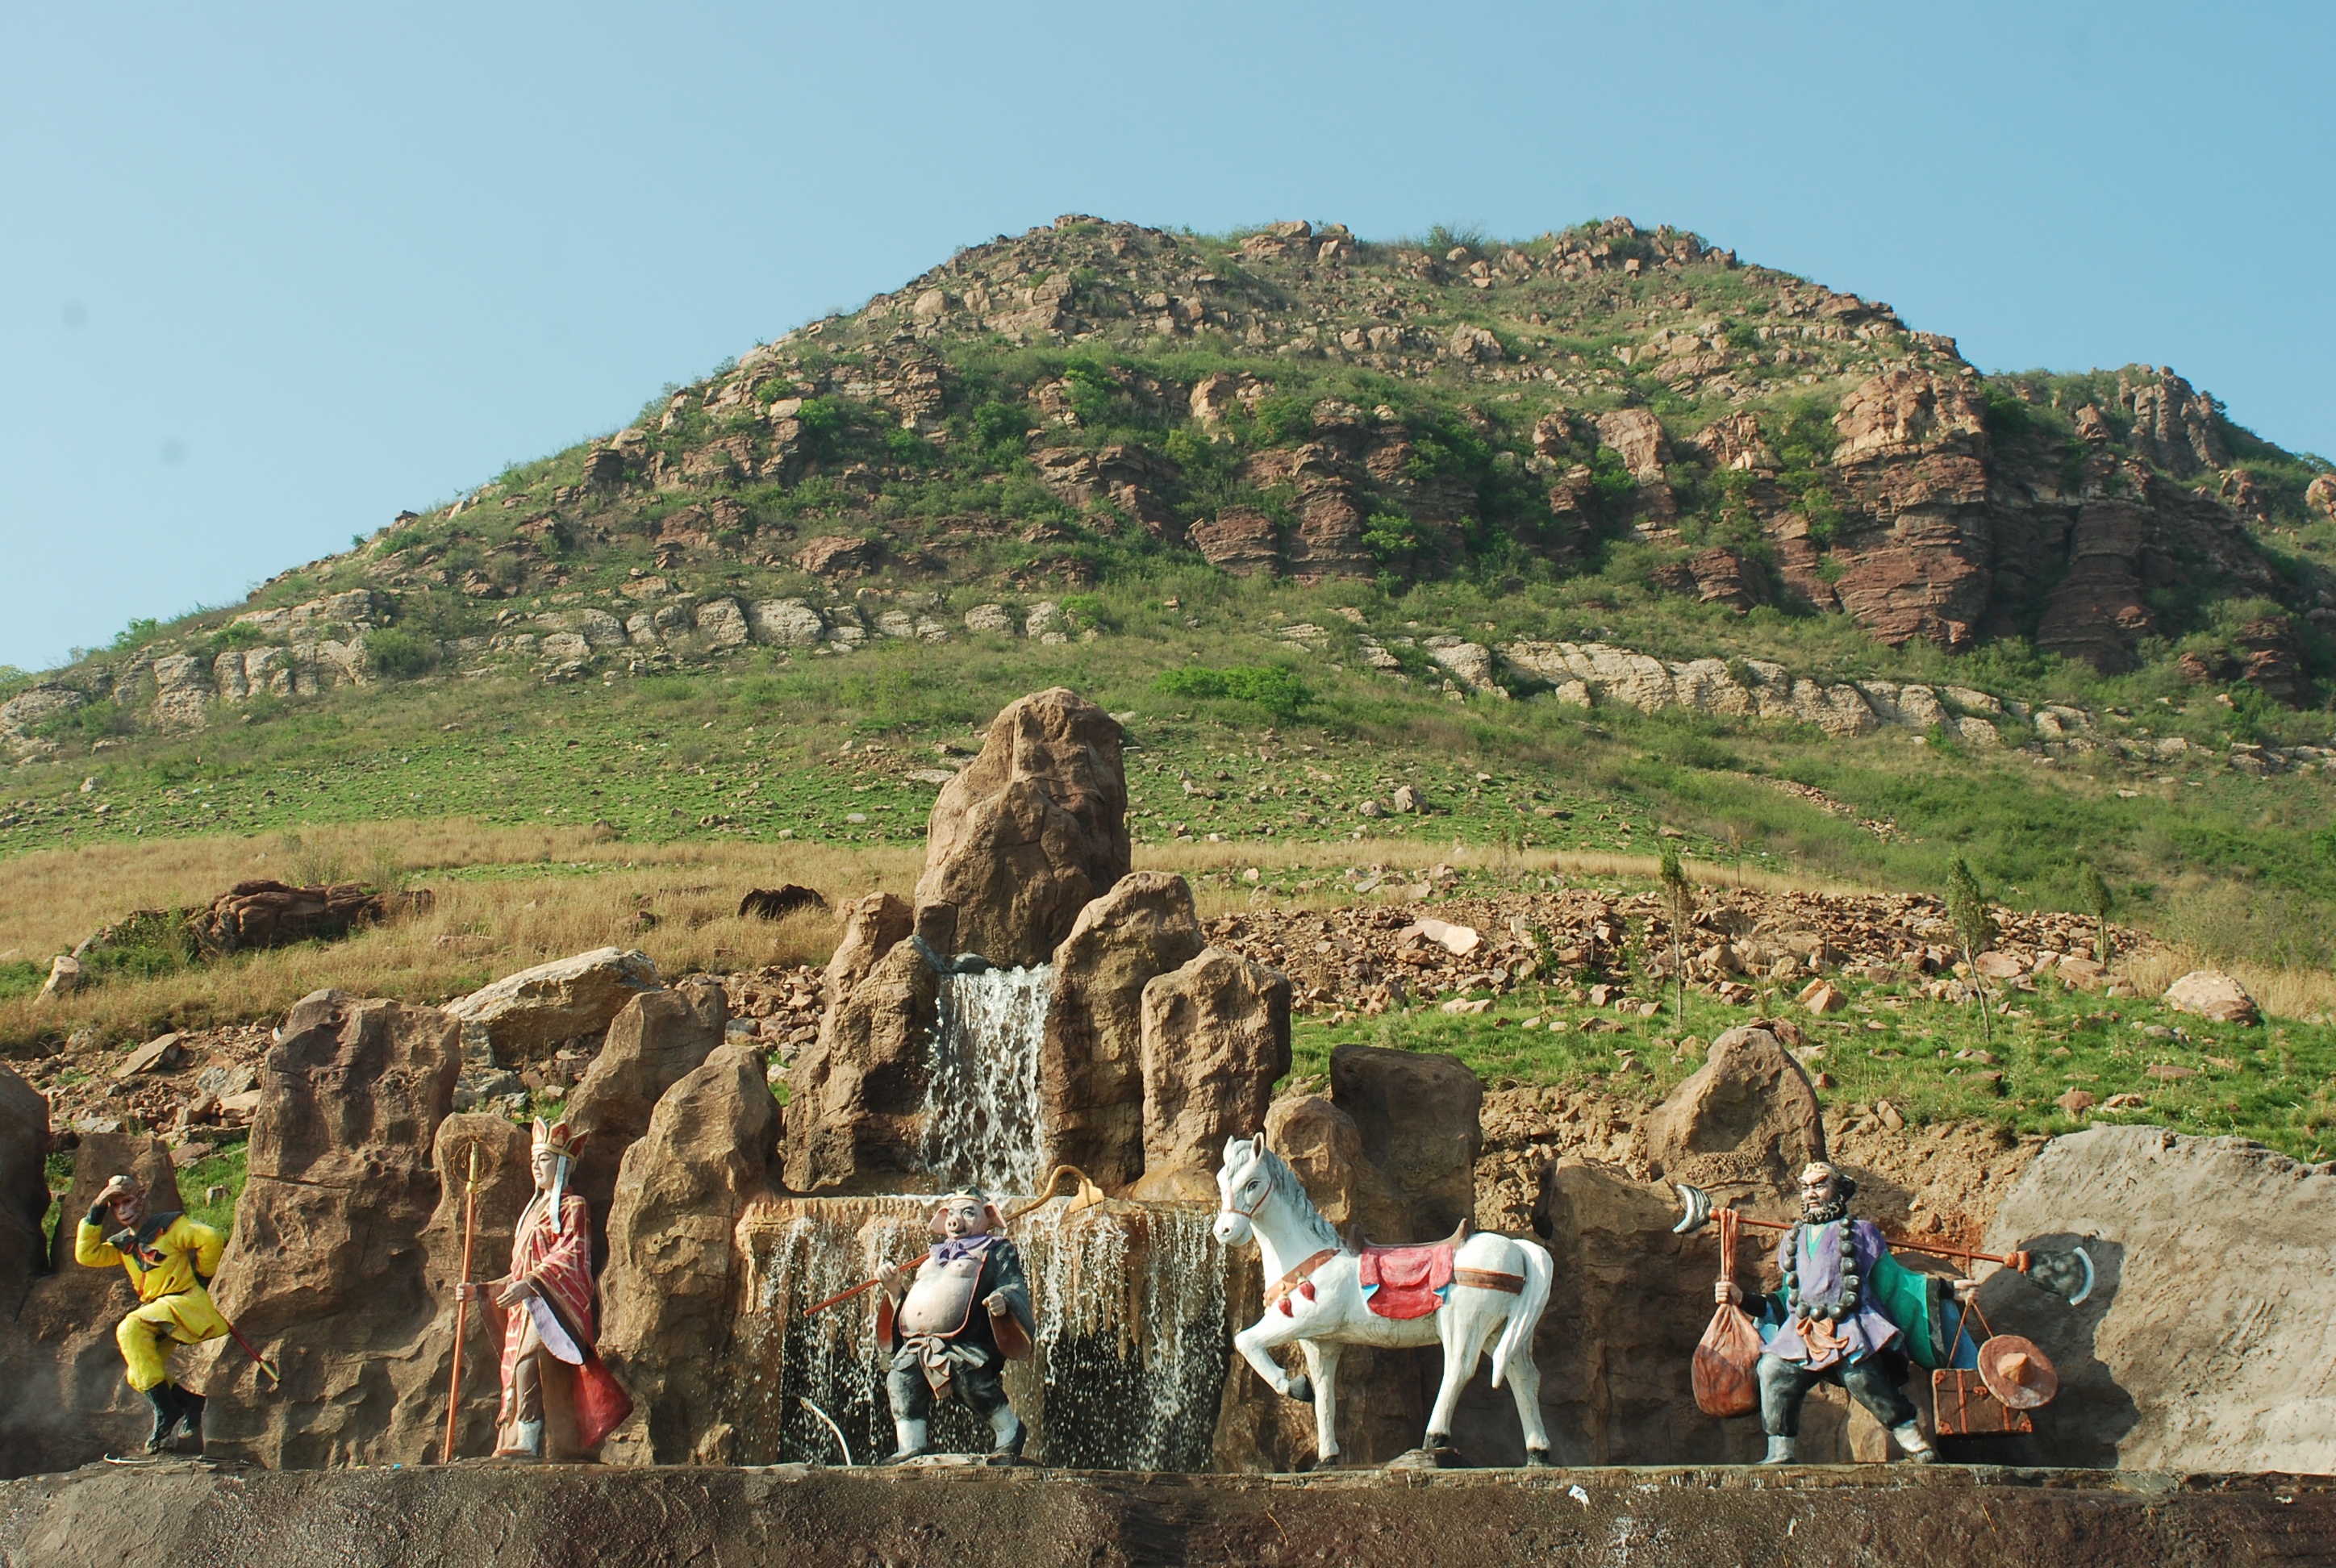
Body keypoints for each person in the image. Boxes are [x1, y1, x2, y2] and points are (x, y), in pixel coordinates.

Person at [1714, 1161, 1977, 1464]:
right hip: (1802, 1332)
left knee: (1862, 1376)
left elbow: (1893, 1281)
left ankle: (1916, 1444)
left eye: (1820, 1185)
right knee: (1774, 1370)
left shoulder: (1862, 1232)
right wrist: (1741, 1298)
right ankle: (1780, 1452)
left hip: (1852, 1325)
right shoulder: (1792, 1239)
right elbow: (1787, 1300)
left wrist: (1947, 1289)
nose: (1812, 1194)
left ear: (1837, 1190)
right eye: (1807, 1187)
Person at [454, 1118, 631, 1461]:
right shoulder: (531, 1213)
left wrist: (531, 1283)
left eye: (545, 1159)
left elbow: (573, 1254)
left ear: (562, 1163)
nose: (537, 1166)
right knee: (516, 1374)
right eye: (534, 1160)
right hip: (526, 1308)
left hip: (554, 1302)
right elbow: (516, 1272)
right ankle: (525, 1436)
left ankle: (531, 1439)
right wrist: (480, 1290)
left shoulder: (573, 1206)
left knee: (528, 1363)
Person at [877, 1189, 1035, 1465]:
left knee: (970, 1381)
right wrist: (893, 1290)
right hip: (920, 1342)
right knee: (901, 1380)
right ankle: (911, 1446)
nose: (956, 1221)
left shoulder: (996, 1250)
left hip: (968, 1339)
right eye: (952, 1214)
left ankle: (1009, 1431)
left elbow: (1013, 1285)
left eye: (968, 1213)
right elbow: (915, 1299)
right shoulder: (934, 1256)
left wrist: (1003, 1301)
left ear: (989, 1217)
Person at [74, 1173, 227, 1454]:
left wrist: (203, 1276)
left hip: (184, 1302)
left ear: (142, 1196)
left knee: (128, 1328)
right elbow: (87, 1255)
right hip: (158, 1311)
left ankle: (167, 1412)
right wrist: (96, 1208)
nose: (122, 1210)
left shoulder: (169, 1226)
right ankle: (190, 1405)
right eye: (115, 1206)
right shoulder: (123, 1244)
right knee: (138, 1374)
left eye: (128, 1201)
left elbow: (211, 1237)